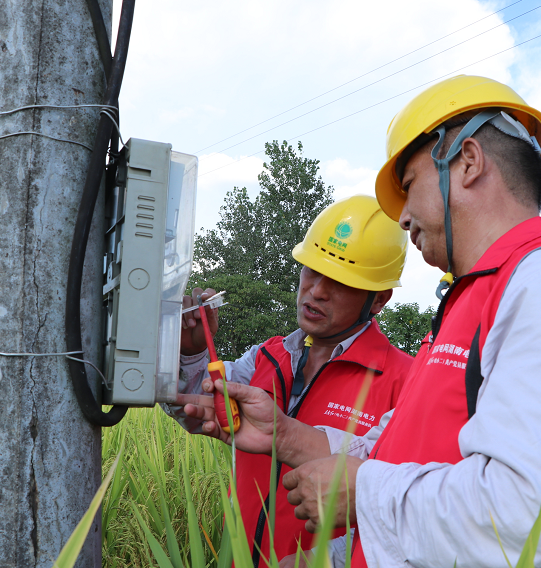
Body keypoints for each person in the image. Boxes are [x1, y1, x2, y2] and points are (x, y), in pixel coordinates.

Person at [202, 75, 541, 567]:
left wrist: (361, 492)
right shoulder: (465, 308)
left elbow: (536, 516)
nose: (404, 216)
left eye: (409, 187)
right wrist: (285, 437)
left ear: (468, 162)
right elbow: (401, 453)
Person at [167, 195, 414, 567]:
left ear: (378, 299)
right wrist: (191, 354)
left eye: (340, 282)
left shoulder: (405, 381)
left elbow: (401, 510)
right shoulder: (267, 358)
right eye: (312, 271)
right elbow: (193, 405)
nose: (316, 290)